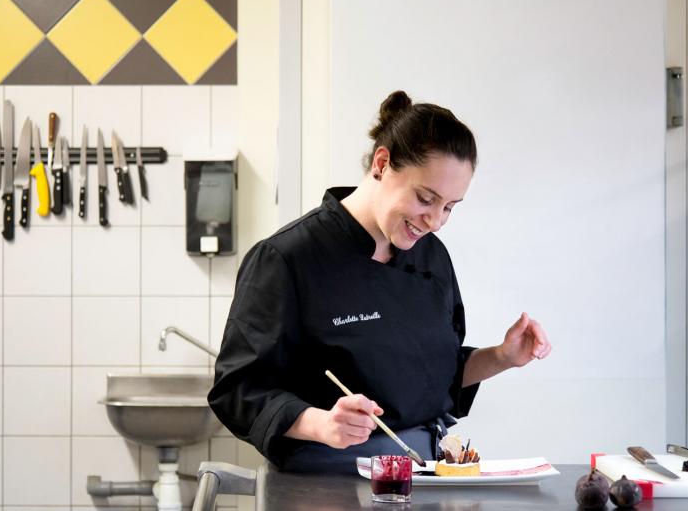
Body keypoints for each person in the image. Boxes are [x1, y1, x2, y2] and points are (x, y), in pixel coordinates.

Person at [208, 90, 552, 474]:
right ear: (382, 163)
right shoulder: (286, 259)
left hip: (427, 473)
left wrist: (502, 357)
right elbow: (237, 390)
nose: (435, 221)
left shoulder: (432, 257)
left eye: (450, 208)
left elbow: (437, 377)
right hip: (327, 479)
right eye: (425, 198)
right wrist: (322, 424)